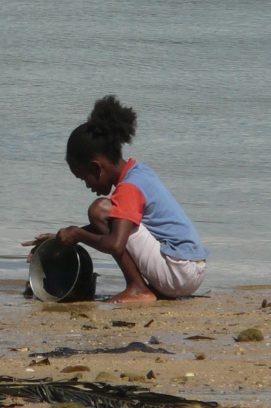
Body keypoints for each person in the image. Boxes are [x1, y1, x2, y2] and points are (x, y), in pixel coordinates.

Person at [25, 95, 208, 303]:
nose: (87, 185)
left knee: (99, 210)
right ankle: (141, 288)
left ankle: (138, 289)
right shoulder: (139, 172)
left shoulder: (128, 188)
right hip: (190, 269)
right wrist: (60, 239)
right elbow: (116, 228)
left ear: (96, 167)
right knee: (106, 215)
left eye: (84, 178)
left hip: (178, 273)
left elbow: (116, 244)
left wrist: (77, 234)